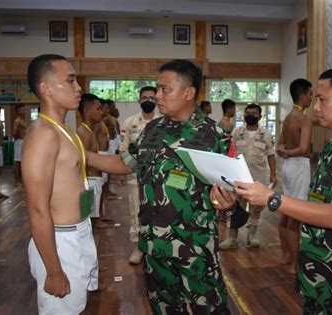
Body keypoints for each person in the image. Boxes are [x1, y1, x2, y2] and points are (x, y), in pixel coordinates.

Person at [233, 66, 332, 313]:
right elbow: (318, 204)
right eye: (315, 98)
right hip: (320, 275)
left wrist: (273, 199)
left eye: (322, 99)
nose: (315, 106)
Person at [86, 59, 235, 314]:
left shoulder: (215, 136)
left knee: (209, 308)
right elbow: (125, 162)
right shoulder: (152, 130)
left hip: (194, 248)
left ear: (189, 93)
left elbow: (233, 190)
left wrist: (227, 207)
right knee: (164, 308)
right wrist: (82, 155)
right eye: (157, 88)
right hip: (154, 247)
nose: (157, 95)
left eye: (165, 89)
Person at [23, 54, 99, 314]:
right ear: (45, 88)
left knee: (76, 307)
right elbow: (36, 208)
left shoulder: (65, 130)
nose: (79, 88)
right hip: (60, 242)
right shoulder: (43, 135)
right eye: (70, 81)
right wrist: (54, 271)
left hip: (79, 231)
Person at [219, 103, 276, 249]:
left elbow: (271, 156)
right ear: (243, 115)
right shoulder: (237, 132)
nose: (250, 115)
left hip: (258, 178)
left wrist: (273, 175)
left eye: (254, 113)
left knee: (257, 208)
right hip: (238, 178)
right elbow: (230, 153)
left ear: (260, 117)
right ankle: (232, 238)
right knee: (235, 207)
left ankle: (252, 236)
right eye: (248, 112)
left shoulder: (266, 135)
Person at [276, 78, 313, 274]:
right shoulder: (304, 119)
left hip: (289, 166)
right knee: (295, 216)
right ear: (303, 95)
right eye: (310, 94)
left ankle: (286, 255)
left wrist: (285, 151)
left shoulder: (288, 117)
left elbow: (279, 144)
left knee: (286, 210)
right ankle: (295, 264)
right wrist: (290, 152)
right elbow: (304, 148)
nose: (312, 98)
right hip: (298, 165)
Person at [119, 85, 158, 265]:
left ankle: (156, 247)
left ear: (156, 100)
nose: (148, 101)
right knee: (136, 213)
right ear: (139, 100)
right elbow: (123, 150)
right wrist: (135, 167)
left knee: (158, 212)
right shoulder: (129, 123)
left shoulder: (164, 122)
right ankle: (138, 247)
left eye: (152, 98)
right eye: (145, 97)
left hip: (159, 179)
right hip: (135, 178)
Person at [77, 93, 111, 229]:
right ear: (87, 111)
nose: (101, 112)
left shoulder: (89, 131)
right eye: (98, 109)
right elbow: (81, 162)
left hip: (94, 179)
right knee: (89, 221)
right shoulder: (83, 132)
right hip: (89, 180)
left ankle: (98, 218)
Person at [12, 104, 27, 185]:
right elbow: (14, 133)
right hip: (19, 142)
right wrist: (19, 139)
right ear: (18, 111)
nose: (24, 111)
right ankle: (17, 180)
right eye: (22, 110)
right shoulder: (17, 121)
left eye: (25, 109)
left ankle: (21, 179)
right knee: (18, 162)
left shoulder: (23, 120)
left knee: (22, 162)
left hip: (23, 142)